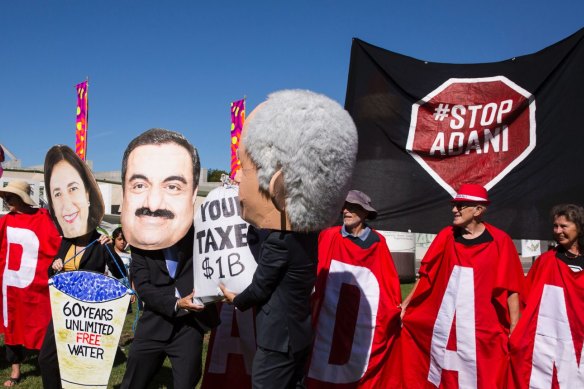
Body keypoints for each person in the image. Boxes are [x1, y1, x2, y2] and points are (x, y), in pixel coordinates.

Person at [220, 89, 358, 388]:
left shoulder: (281, 242)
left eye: (246, 172)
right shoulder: (306, 236)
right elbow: (261, 240)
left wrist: (237, 300)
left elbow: (260, 287)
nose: (241, 181)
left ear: (277, 185)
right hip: (298, 334)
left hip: (278, 340)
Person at [120, 128, 220, 389]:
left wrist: (230, 197)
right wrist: (178, 304)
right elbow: (143, 287)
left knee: (186, 383)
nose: (155, 203)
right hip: (153, 327)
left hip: (189, 330)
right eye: (140, 185)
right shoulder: (140, 243)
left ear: (193, 192)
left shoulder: (201, 233)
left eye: (173, 186)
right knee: (133, 383)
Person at [398, 183, 524, 388]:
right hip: (446, 326)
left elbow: (511, 288)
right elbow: (426, 276)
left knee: (484, 376)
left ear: (478, 210)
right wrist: (406, 305)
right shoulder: (446, 236)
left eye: (461, 205)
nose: (454, 209)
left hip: (484, 330)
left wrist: (514, 327)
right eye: (454, 204)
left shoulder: (500, 241)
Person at [38, 146, 125, 389]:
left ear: (88, 195)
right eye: (57, 194)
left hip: (89, 316)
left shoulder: (100, 241)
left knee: (81, 369)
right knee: (47, 359)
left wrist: (111, 250)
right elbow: (50, 275)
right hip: (64, 311)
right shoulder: (66, 241)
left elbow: (120, 273)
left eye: (73, 188)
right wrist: (54, 267)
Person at [308, 190, 402, 387]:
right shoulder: (328, 235)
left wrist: (393, 312)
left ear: (365, 213)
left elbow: (388, 284)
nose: (346, 211)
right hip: (326, 320)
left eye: (353, 208)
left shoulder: (377, 243)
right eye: (345, 207)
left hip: (358, 320)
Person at [509, 204, 584, 388]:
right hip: (549, 343)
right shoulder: (545, 261)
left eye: (564, 226)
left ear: (579, 227)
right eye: (555, 226)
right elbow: (526, 299)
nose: (558, 231)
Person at [0, 181, 61, 387]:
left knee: (43, 325)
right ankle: (15, 370)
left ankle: (50, 364)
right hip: (11, 286)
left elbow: (59, 242)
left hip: (37, 287)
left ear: (23, 198)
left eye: (11, 197)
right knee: (12, 327)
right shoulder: (5, 221)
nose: (7, 200)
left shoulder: (44, 218)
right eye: (6, 197)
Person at [43, 145, 104, 238]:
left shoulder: (104, 249)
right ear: (52, 206)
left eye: (73, 189)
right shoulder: (52, 249)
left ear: (87, 193)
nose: (67, 206)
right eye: (57, 194)